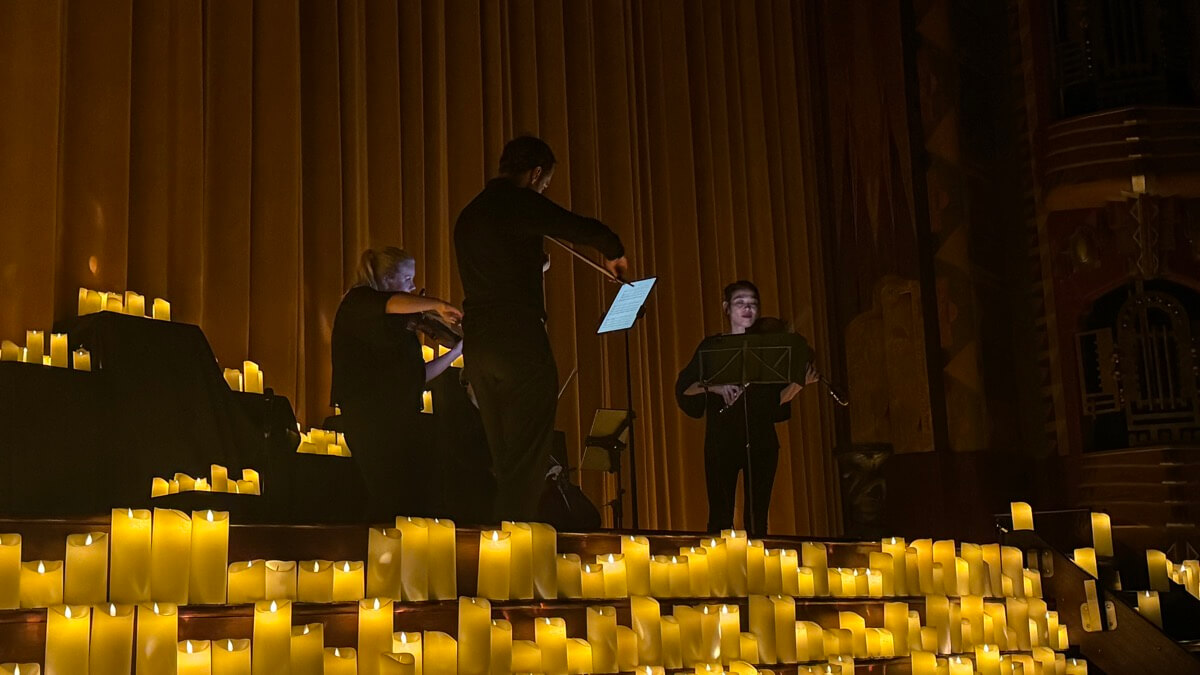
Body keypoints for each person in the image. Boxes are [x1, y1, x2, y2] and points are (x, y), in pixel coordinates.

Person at [454, 135, 628, 521]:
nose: (544, 189)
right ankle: (519, 538)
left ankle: (502, 538)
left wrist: (535, 267)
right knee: (529, 452)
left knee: (504, 456)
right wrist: (613, 250)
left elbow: (495, 269)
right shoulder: (519, 201)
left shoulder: (470, 214)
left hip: (479, 343)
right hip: (518, 338)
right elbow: (574, 226)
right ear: (535, 174)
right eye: (545, 183)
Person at [674, 280, 816, 537]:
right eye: (740, 303)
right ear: (726, 308)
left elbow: (775, 402)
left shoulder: (770, 348)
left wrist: (798, 384)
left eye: (753, 304)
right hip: (721, 442)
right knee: (720, 518)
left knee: (758, 520)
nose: (747, 309)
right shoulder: (712, 347)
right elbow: (685, 389)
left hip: (761, 442)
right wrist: (716, 387)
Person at [330, 247, 463, 520]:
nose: (413, 287)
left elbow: (418, 376)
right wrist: (436, 305)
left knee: (406, 498)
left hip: (400, 418)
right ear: (387, 278)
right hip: (371, 418)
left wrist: (458, 351)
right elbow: (390, 303)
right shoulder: (358, 300)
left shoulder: (398, 328)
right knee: (387, 495)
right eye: (407, 279)